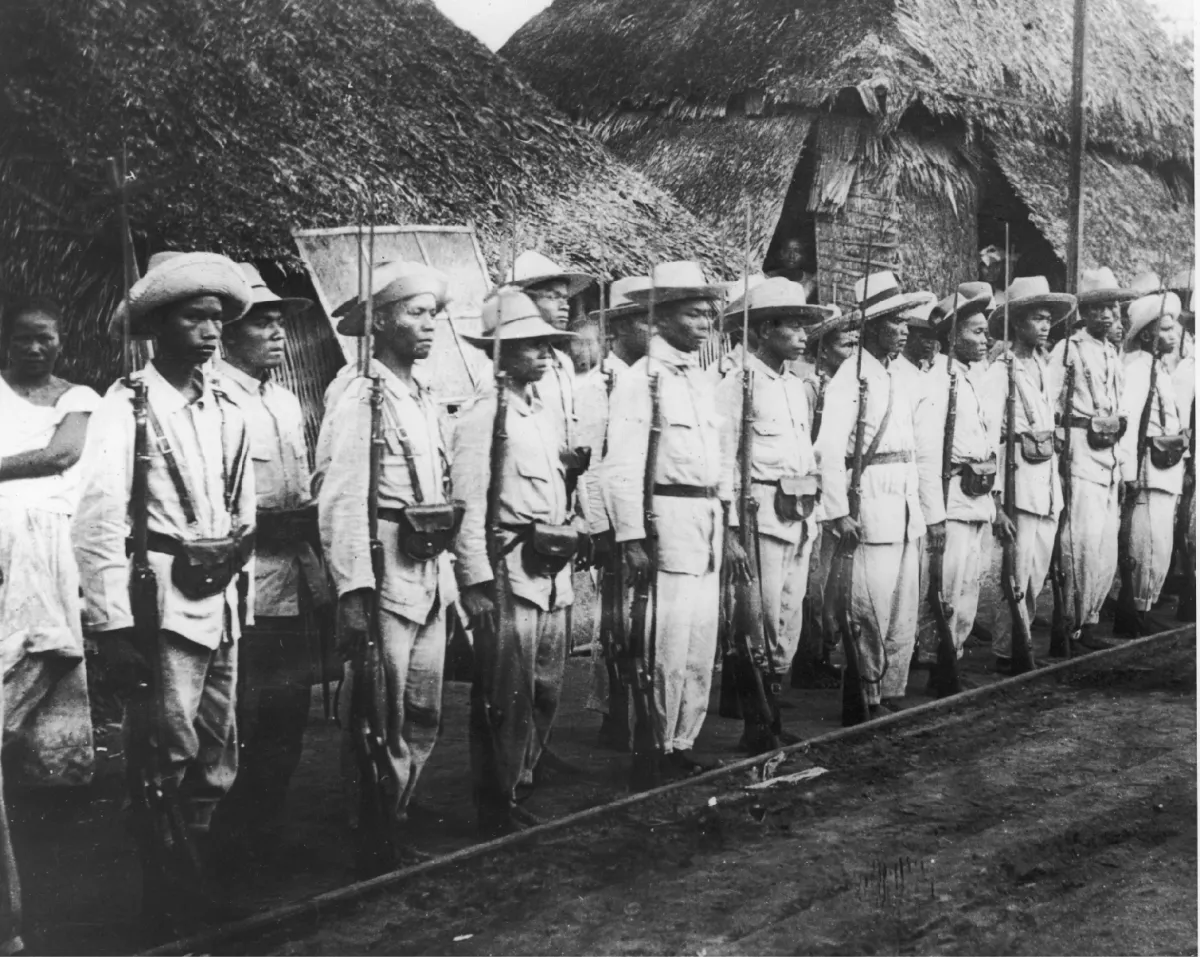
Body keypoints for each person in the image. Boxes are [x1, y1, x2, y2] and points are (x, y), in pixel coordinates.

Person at [74, 252, 256, 934]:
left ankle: (194, 884)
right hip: (164, 604)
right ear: (156, 324)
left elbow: (245, 514)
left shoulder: (228, 405)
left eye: (215, 317)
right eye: (192, 315)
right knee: (162, 753)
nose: (209, 330)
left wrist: (244, 600)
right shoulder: (127, 406)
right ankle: (161, 898)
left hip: (222, 601)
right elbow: (96, 522)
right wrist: (113, 627)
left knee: (217, 750)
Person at [318, 260, 456, 861]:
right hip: (384, 562)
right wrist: (353, 588)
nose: (428, 326)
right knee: (379, 703)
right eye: (414, 313)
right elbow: (340, 493)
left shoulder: (423, 394)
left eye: (433, 314)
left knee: (423, 701)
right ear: (379, 322)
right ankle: (371, 820)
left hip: (427, 562)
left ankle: (400, 798)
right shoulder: (360, 396)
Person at [209, 265, 328, 863]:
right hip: (239, 584)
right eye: (263, 324)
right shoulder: (212, 396)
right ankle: (227, 839)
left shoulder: (282, 399)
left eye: (281, 324)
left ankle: (265, 831)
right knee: (237, 718)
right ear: (229, 332)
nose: (277, 335)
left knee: (287, 714)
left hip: (289, 581)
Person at [601, 261, 739, 772]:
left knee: (701, 645)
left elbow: (721, 456)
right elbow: (621, 467)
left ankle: (683, 741)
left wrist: (725, 516)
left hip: (704, 523)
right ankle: (656, 744)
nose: (705, 324)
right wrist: (632, 537)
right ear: (659, 319)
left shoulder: (702, 379)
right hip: (669, 523)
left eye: (709, 315)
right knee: (667, 643)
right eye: (694, 314)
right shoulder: (643, 381)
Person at [452, 289, 580, 836]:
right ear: (499, 354)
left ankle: (522, 776)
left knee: (547, 683)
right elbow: (468, 504)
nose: (545, 353)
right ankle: (495, 798)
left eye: (548, 343)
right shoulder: (485, 417)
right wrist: (476, 581)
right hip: (508, 565)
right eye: (531, 346)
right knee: (506, 690)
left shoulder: (542, 413)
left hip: (550, 562)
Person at [814, 272, 943, 716]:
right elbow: (828, 449)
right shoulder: (852, 378)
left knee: (902, 608)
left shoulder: (899, 377)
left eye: (905, 319)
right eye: (893, 321)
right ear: (869, 327)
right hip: (870, 500)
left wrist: (928, 510)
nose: (904, 328)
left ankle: (889, 691)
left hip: (904, 502)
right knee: (868, 608)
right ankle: (865, 693)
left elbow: (921, 450)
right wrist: (837, 512)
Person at [717, 278, 830, 749]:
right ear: (763, 330)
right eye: (793, 326)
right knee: (755, 620)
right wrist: (730, 530)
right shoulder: (737, 384)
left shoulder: (796, 387)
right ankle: (755, 721)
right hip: (759, 512)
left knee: (787, 614)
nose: (804, 335)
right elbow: (725, 457)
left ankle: (772, 707)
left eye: (806, 325)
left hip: (798, 510)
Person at [0, 299, 100, 789]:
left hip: (49, 531)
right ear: (7, 341)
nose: (35, 347)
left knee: (47, 641)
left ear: (62, 342)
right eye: (24, 337)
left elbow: (61, 454)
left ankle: (53, 767)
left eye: (46, 338)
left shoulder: (77, 396)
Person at [976, 278, 1070, 670]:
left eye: (1048, 318)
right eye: (1036, 318)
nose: (1045, 326)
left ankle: (1023, 642)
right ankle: (1008, 649)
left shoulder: (1043, 367)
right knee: (1018, 574)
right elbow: (992, 437)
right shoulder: (1001, 371)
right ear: (1016, 324)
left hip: (1045, 484)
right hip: (1019, 485)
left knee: (1038, 570)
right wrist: (996, 500)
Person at [576, 276, 652, 750]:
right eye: (645, 322)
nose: (653, 332)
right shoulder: (597, 385)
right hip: (612, 519)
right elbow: (591, 467)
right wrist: (604, 529)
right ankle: (613, 711)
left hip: (643, 514)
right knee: (616, 621)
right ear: (621, 329)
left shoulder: (649, 379)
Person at [914, 284, 998, 685]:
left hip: (974, 496)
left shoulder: (968, 380)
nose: (985, 339)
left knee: (967, 589)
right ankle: (937, 666)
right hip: (950, 500)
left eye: (985, 331)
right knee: (945, 589)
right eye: (976, 332)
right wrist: (934, 515)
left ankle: (953, 660)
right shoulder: (938, 382)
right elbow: (929, 454)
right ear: (952, 336)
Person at [1047, 267, 1134, 651]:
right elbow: (1049, 404)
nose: (1106, 316)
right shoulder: (1067, 350)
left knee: (1103, 544)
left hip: (1108, 454)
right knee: (1079, 542)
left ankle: (1091, 619)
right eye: (1098, 308)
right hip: (1079, 453)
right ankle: (1070, 623)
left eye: (1112, 308)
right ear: (1084, 311)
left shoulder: (1113, 352)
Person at [790, 308, 856, 689]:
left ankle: (820, 650)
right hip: (814, 489)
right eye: (844, 345)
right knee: (815, 578)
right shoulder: (813, 388)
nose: (851, 351)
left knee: (832, 579)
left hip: (839, 481)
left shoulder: (842, 385)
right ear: (823, 351)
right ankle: (807, 657)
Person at [1114, 291, 1186, 635]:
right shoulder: (1139, 369)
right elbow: (1129, 424)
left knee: (1160, 545)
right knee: (1145, 543)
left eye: (1174, 329)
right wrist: (1128, 473)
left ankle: (1144, 606)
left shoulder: (1160, 368)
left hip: (1166, 467)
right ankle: (1135, 611)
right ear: (1146, 335)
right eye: (1165, 330)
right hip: (1147, 469)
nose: (1173, 336)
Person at [896, 293, 940, 374]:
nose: (930, 341)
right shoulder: (896, 370)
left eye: (933, 335)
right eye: (925, 335)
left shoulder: (929, 370)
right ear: (908, 332)